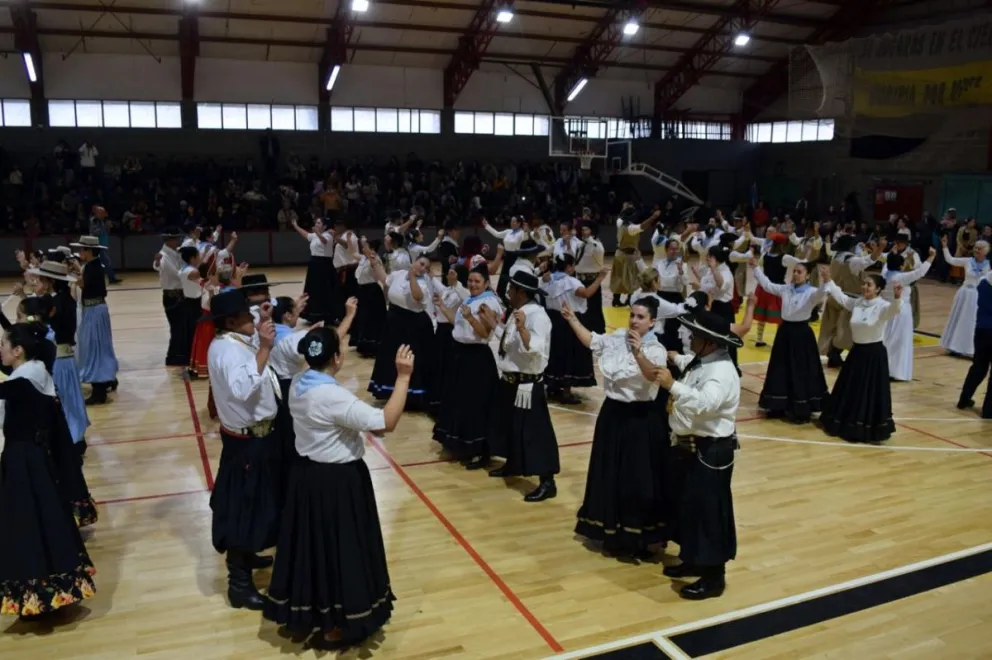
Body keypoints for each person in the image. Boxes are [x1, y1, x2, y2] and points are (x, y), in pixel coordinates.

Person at [264, 331, 412, 647]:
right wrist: (402, 378)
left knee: (313, 549)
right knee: (341, 551)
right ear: (336, 358)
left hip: (306, 478)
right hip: (338, 483)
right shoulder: (332, 396)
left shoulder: (299, 383)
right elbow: (386, 421)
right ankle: (339, 622)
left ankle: (310, 613)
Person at [0, 323, 97, 618]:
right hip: (31, 459)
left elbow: (9, 387)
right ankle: (49, 590)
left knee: (29, 525)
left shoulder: (26, 379)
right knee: (43, 521)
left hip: (24, 462)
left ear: (18, 351)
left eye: (3, 344)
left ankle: (41, 593)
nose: (0, 348)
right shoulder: (35, 368)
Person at [563, 297, 672, 557]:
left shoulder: (656, 349)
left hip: (640, 419)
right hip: (612, 414)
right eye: (632, 315)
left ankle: (638, 537)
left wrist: (637, 353)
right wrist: (572, 319)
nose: (634, 320)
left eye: (641, 317)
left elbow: (652, 375)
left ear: (652, 322)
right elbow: (593, 341)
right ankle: (609, 532)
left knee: (636, 479)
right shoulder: (618, 337)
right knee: (609, 472)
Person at [656, 309, 743, 600]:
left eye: (695, 336)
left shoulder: (721, 373)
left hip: (712, 451)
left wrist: (672, 385)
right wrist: (672, 356)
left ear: (710, 342)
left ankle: (713, 577)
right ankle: (693, 559)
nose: (689, 338)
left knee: (709, 513)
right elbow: (690, 366)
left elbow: (706, 402)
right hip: (694, 447)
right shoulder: (705, 361)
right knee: (690, 508)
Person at [206, 290, 280, 610]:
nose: (253, 319)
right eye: (247, 316)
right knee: (240, 509)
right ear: (230, 322)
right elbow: (242, 388)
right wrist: (264, 346)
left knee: (254, 505)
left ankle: (248, 556)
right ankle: (239, 584)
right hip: (245, 442)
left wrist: (263, 323)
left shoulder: (235, 340)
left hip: (255, 439)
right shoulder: (225, 351)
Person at [481, 271, 558, 502]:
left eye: (511, 290)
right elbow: (509, 343)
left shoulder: (538, 317)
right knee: (509, 427)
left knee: (535, 433)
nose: (508, 293)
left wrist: (523, 328)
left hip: (527, 385)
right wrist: (493, 323)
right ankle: (513, 464)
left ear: (521, 292)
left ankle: (548, 481)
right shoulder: (519, 313)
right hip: (510, 381)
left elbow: (533, 348)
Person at [819, 272, 904, 443]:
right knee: (851, 389)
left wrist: (897, 298)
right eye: (864, 283)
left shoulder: (882, 306)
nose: (865, 287)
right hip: (857, 353)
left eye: (869, 284)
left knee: (868, 392)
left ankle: (864, 427)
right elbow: (842, 298)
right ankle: (845, 422)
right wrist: (830, 281)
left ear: (878, 289)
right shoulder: (858, 302)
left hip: (874, 356)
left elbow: (894, 310)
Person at [433, 264, 503, 469]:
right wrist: (442, 308)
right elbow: (459, 325)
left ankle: (479, 450)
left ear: (486, 284)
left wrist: (471, 317)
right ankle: (462, 444)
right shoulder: (470, 299)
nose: (472, 284)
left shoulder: (488, 303)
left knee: (475, 405)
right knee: (459, 401)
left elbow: (484, 333)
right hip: (461, 355)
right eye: (471, 281)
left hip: (477, 359)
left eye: (477, 281)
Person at [750, 257, 830, 423]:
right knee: (780, 369)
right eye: (794, 271)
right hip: (785, 332)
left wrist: (826, 281)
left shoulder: (811, 292)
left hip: (801, 335)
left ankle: (800, 408)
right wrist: (756, 268)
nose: (795, 274)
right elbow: (768, 285)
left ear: (807, 276)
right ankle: (778, 404)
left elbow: (821, 293)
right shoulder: (787, 289)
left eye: (799, 272)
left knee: (800, 371)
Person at [25, 260, 91, 454]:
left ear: (50, 281)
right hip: (64, 358)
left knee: (63, 401)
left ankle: (72, 440)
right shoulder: (61, 300)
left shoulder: (57, 303)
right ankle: (74, 438)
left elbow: (46, 327)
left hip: (60, 359)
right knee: (68, 400)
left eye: (42, 279)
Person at [367, 254, 439, 411]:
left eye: (426, 267)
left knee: (409, 358)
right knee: (390, 357)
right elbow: (385, 279)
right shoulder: (399, 274)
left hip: (413, 325)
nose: (422, 268)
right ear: (414, 262)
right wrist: (375, 264)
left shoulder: (423, 283)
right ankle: (392, 391)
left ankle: (411, 396)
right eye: (421, 264)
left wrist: (413, 276)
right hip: (394, 322)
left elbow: (417, 296)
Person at [541, 256, 607, 404]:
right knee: (570, 355)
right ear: (569, 267)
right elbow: (587, 293)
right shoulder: (571, 282)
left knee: (555, 354)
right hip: (569, 321)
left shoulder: (547, 280)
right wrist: (600, 278)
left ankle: (553, 386)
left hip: (552, 321)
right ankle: (566, 392)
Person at [818, 236, 883, 367]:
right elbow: (870, 260)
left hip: (833, 297)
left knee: (831, 329)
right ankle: (835, 354)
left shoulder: (836, 257)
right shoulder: (852, 261)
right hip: (847, 300)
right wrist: (880, 248)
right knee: (845, 333)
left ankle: (833, 356)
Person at [69, 235, 119, 405]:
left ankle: (99, 391)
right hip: (94, 309)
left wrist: (76, 274)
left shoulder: (93, 267)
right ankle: (107, 380)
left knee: (95, 347)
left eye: (82, 249)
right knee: (99, 346)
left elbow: (84, 285)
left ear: (89, 251)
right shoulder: (93, 265)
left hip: (94, 311)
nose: (80, 252)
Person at [881, 248, 935, 382]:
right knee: (900, 342)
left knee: (886, 339)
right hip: (901, 311)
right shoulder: (901, 278)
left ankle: (883, 368)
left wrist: (892, 254)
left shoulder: (885, 274)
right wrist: (931, 257)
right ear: (901, 266)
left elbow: (885, 264)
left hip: (886, 309)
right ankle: (896, 371)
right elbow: (920, 272)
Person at [939, 236, 990, 357]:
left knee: (972, 322)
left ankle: (970, 349)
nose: (977, 250)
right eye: (976, 248)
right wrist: (945, 246)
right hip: (965, 293)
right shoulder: (968, 261)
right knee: (959, 320)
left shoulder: (989, 265)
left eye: (980, 248)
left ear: (985, 251)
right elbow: (950, 260)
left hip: (978, 296)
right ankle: (953, 346)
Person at [957, 267, 992, 417]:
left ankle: (964, 400)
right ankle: (989, 410)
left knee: (978, 366)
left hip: (981, 329)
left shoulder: (983, 281)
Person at [291, 217, 338, 324]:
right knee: (313, 290)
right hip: (314, 264)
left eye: (318, 223)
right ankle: (313, 315)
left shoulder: (329, 235)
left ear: (324, 226)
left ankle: (326, 315)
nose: (316, 224)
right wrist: (295, 226)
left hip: (324, 265)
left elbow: (324, 241)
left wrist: (317, 232)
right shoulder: (314, 236)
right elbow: (305, 234)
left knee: (324, 290)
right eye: (316, 223)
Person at [611, 204, 658, 307]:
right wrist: (653, 217)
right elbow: (643, 226)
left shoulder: (620, 223)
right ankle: (630, 300)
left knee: (619, 277)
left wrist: (625, 208)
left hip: (619, 254)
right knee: (632, 278)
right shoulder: (631, 228)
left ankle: (616, 300)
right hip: (628, 255)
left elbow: (621, 215)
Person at [154, 227, 186, 366]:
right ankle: (172, 357)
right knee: (176, 327)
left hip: (178, 295)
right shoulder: (164, 256)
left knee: (180, 326)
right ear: (170, 241)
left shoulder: (175, 253)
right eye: (177, 238)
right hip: (172, 296)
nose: (179, 240)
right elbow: (178, 274)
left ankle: (178, 353)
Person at [350, 239, 387, 358]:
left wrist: (374, 262)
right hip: (362, 291)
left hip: (371, 292)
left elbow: (382, 277)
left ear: (371, 249)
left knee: (371, 319)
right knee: (361, 317)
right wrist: (349, 240)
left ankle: (372, 346)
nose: (362, 248)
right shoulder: (363, 258)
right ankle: (362, 343)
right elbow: (352, 253)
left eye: (365, 246)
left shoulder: (375, 260)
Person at [751, 233, 789, 348]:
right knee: (781, 317)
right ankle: (779, 341)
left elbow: (762, 268)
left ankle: (759, 339)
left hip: (763, 288)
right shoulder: (785, 257)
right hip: (778, 289)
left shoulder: (765, 255)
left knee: (761, 315)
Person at [484, 216, 528, 300]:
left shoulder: (522, 233)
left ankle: (513, 297)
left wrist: (526, 232)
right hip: (507, 257)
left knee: (513, 277)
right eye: (511, 221)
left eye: (514, 221)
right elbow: (497, 234)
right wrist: (487, 226)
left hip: (516, 258)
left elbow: (525, 239)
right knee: (503, 277)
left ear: (519, 223)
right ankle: (500, 296)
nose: (512, 223)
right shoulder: (508, 231)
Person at [177, 246, 205, 375]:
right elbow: (204, 284)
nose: (200, 258)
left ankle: (189, 358)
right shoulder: (194, 272)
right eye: (198, 256)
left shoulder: (183, 269)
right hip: (195, 303)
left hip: (187, 302)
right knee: (195, 332)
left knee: (189, 331)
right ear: (192, 258)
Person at [575, 221, 606, 334]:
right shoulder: (581, 244)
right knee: (580, 307)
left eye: (586, 229)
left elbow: (600, 252)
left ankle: (597, 332)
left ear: (592, 231)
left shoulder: (596, 245)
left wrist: (591, 240)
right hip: (579, 279)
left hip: (591, 280)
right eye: (582, 229)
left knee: (593, 309)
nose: (583, 231)